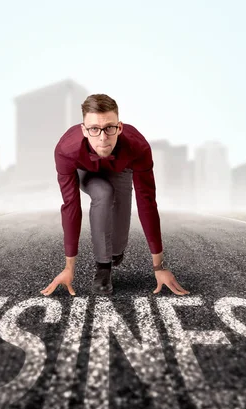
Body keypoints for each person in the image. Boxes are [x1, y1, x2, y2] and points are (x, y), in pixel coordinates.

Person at [40, 93, 189, 296]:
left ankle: (114, 253)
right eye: (94, 129)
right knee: (104, 192)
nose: (102, 138)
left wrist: (159, 267)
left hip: (121, 167)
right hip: (86, 170)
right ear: (84, 130)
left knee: (117, 246)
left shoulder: (138, 147)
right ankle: (103, 268)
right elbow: (71, 207)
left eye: (109, 128)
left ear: (119, 127)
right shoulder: (66, 150)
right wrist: (69, 267)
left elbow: (147, 202)